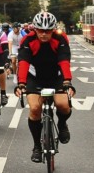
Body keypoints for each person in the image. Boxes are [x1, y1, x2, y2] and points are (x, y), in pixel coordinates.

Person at [15, 11, 74, 162]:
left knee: (63, 104)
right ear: (35, 29)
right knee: (35, 109)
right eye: (40, 30)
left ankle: (62, 124)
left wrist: (67, 81)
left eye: (48, 31)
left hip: (56, 75)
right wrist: (21, 83)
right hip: (35, 76)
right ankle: (37, 146)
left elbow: (64, 61)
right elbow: (23, 63)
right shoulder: (28, 40)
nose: (44, 34)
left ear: (53, 29)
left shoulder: (60, 38)